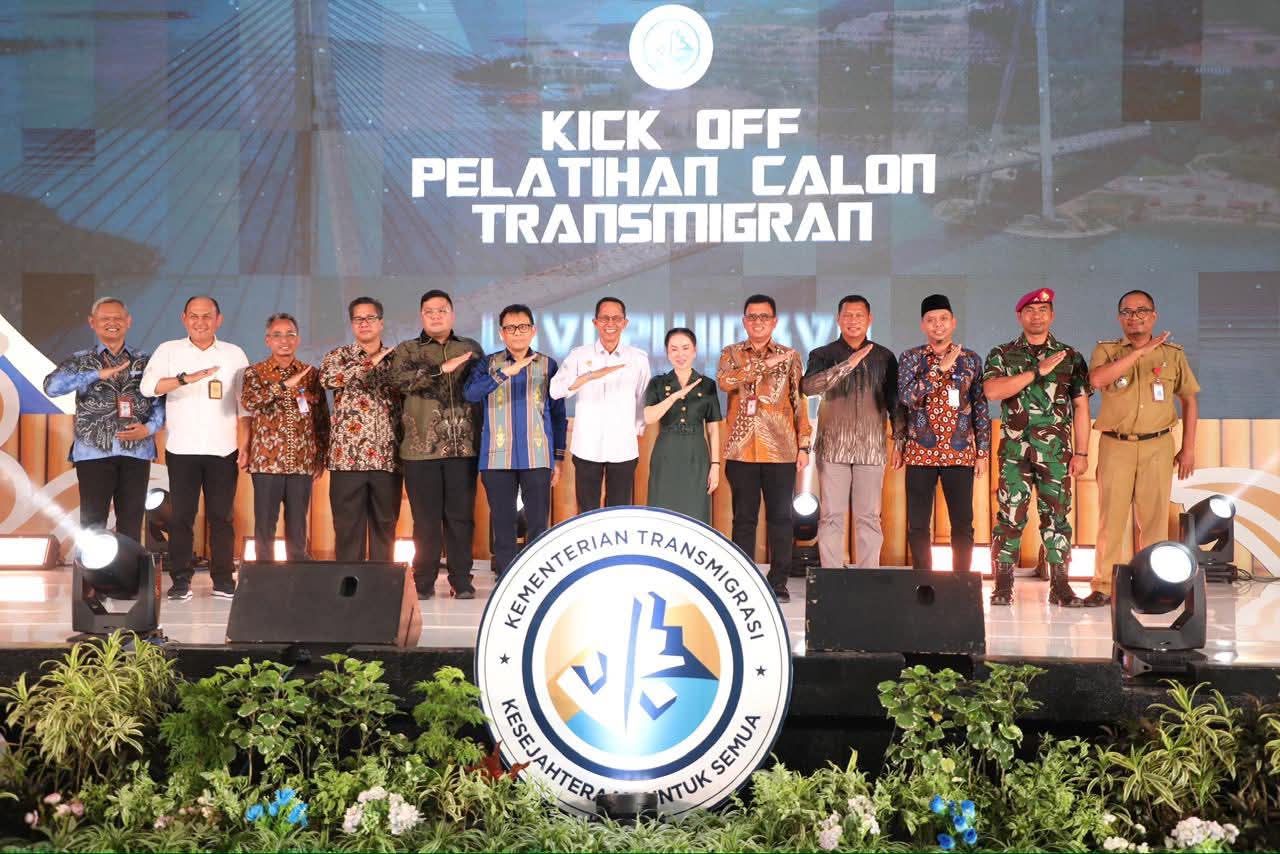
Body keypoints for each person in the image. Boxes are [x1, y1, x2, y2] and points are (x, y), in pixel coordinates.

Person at [1087, 289, 1199, 606]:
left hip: (1158, 445)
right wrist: (1139, 353)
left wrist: (1188, 448)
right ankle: (1105, 586)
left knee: (1154, 521)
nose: (1134, 317)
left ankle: (1154, 586)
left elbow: (1189, 400)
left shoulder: (1173, 354)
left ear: (1153, 316)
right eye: (1127, 312)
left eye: (1141, 311)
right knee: (1112, 519)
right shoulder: (1107, 350)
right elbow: (1097, 380)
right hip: (1116, 445)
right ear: (1119, 318)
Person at [983, 288, 1091, 607]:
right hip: (1015, 452)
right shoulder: (1003, 354)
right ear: (1020, 316)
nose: (1037, 316)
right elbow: (992, 391)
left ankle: (1060, 584)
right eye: (1030, 310)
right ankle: (1003, 584)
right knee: (1009, 516)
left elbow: (1081, 407)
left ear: (1052, 315)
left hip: (1056, 454)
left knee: (1057, 517)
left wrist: (1082, 452)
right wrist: (1035, 372)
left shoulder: (1070, 357)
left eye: (1043, 310)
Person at [139, 295, 250, 600]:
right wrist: (184, 379)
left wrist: (245, 445)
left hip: (223, 449)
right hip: (182, 449)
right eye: (194, 316)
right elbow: (148, 387)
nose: (200, 322)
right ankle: (180, 580)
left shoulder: (234, 354)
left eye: (207, 316)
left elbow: (245, 405)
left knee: (221, 518)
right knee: (181, 518)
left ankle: (223, 580)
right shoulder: (169, 350)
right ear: (184, 318)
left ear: (219, 320)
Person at [43, 297, 164, 544]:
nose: (112, 323)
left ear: (128, 321)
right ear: (92, 322)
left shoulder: (146, 360)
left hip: (136, 451)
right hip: (93, 453)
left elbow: (161, 401)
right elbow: (51, 387)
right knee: (93, 523)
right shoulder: (80, 359)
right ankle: (92, 570)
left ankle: (128, 569)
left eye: (118, 318)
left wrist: (149, 429)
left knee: (131, 523)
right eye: (105, 318)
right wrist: (96, 374)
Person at [390, 289, 485, 599]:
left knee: (461, 518)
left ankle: (461, 580)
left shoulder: (470, 348)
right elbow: (397, 381)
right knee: (426, 520)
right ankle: (423, 580)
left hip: (463, 448)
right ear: (421, 316)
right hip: (420, 449)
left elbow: (481, 392)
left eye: (441, 310)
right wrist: (439, 370)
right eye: (429, 311)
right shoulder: (407, 349)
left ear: (452, 314)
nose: (435, 316)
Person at [717, 295, 811, 603]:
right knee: (744, 518)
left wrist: (804, 444)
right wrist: (762, 365)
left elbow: (799, 401)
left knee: (781, 518)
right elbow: (725, 382)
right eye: (752, 317)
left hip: (780, 449)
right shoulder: (731, 353)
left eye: (764, 317)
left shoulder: (790, 356)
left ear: (774, 321)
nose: (758, 322)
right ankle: (744, 581)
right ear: (744, 321)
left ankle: (778, 582)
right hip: (741, 450)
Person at [463, 304, 567, 575]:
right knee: (503, 521)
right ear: (501, 333)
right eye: (511, 328)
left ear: (533, 330)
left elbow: (558, 413)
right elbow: (471, 394)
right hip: (497, 456)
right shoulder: (488, 364)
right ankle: (506, 576)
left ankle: (535, 576)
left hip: (537, 455)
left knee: (537, 522)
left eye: (523, 327)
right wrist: (503, 374)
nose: (517, 332)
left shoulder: (548, 365)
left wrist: (558, 458)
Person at [801, 295, 899, 568]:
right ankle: (831, 576)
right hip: (833, 446)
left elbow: (894, 402)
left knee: (869, 517)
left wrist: (900, 440)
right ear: (838, 319)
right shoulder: (822, 354)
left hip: (871, 447)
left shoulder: (884, 357)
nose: (853, 320)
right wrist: (848, 364)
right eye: (847, 315)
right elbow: (809, 387)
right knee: (831, 516)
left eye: (859, 315)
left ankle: (868, 575)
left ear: (869, 319)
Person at [896, 294, 990, 573]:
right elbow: (906, 398)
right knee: (918, 523)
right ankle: (923, 579)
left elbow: (980, 407)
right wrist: (939, 370)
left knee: (962, 523)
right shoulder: (911, 358)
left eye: (943, 319)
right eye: (931, 320)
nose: (938, 325)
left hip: (959, 451)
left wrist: (982, 452)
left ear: (953, 322)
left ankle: (961, 581)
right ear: (922, 325)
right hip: (920, 452)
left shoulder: (971, 359)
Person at [240, 313, 329, 563]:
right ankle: (264, 573)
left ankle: (298, 572)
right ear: (268, 340)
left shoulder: (311, 374)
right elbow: (250, 402)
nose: (284, 340)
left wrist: (321, 456)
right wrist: (283, 386)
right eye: (277, 335)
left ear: (298, 339)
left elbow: (321, 418)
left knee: (298, 525)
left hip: (302, 462)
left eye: (290, 334)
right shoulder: (255, 373)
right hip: (267, 462)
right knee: (265, 524)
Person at [320, 297, 404, 562]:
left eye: (370, 318)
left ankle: (381, 581)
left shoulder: (397, 359)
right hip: (347, 459)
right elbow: (328, 379)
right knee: (347, 529)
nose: (364, 323)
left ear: (381, 322)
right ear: (351, 324)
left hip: (387, 458)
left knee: (385, 527)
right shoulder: (338, 356)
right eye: (358, 319)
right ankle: (348, 582)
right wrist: (370, 362)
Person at [549, 297, 651, 512]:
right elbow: (555, 390)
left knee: (619, 512)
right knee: (587, 512)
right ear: (595, 322)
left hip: (623, 447)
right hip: (587, 446)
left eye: (616, 318)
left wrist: (636, 429)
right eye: (604, 318)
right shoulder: (579, 355)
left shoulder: (638, 358)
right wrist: (585, 378)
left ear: (625, 323)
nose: (610, 323)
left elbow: (643, 397)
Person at [644, 327, 723, 525]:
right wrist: (673, 397)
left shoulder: (707, 384)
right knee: (662, 509)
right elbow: (649, 417)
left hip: (696, 453)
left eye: (685, 348)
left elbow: (713, 429)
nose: (680, 354)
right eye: (674, 349)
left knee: (695, 510)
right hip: (666, 452)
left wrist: (715, 465)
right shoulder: (658, 383)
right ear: (667, 352)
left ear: (694, 351)